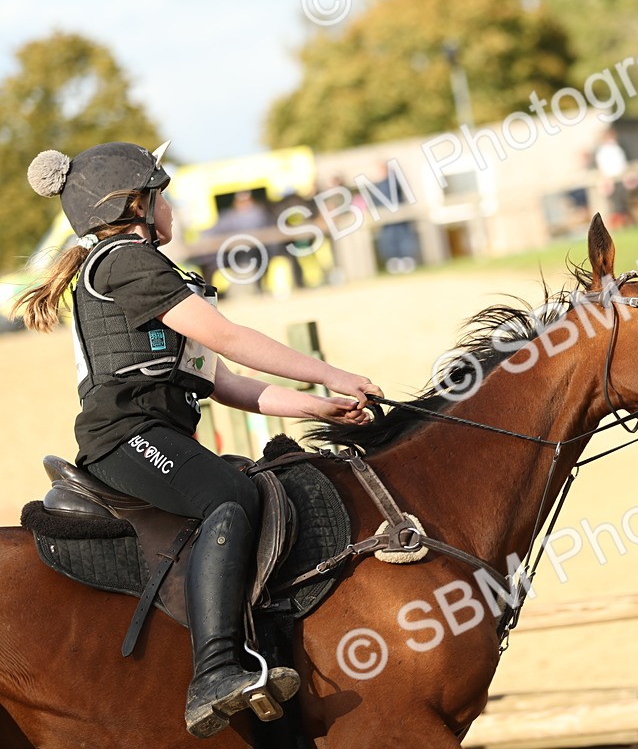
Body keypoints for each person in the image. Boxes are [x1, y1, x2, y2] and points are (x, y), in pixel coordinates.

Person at [15, 141, 382, 738]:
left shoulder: (144, 268)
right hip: (125, 438)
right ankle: (213, 672)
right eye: (163, 194)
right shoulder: (122, 261)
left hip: (157, 434)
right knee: (228, 497)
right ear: (134, 204)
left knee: (259, 488)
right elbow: (230, 338)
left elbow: (227, 381)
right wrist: (326, 370)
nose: (172, 207)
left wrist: (319, 406)